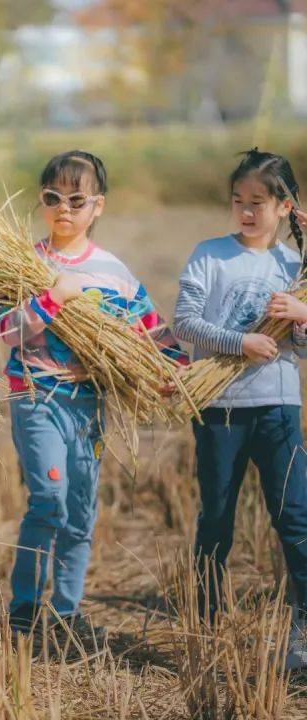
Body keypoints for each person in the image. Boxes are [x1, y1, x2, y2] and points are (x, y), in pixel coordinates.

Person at [0, 151, 186, 643]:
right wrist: (52, 298)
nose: (64, 208)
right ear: (41, 201)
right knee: (49, 499)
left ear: (97, 205)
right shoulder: (23, 264)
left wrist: (177, 371)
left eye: (76, 199)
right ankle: (23, 606)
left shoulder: (113, 271)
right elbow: (6, 331)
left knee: (81, 509)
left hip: (87, 402)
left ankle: (66, 609)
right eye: (52, 198)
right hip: (36, 394)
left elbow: (149, 329)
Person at [172, 148, 307, 669]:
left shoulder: (294, 266)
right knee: (216, 519)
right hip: (219, 407)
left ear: (283, 206)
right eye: (238, 201)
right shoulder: (209, 254)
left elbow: (300, 346)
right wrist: (239, 342)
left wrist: (300, 317)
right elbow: (185, 324)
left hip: (278, 406)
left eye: (258, 202)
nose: (247, 212)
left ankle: (304, 622)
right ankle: (205, 626)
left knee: (294, 513)